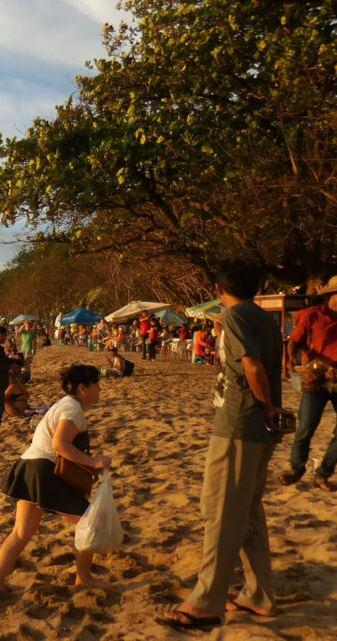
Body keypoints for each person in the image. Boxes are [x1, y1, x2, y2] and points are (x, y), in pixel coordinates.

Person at [158, 261, 289, 631]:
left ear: (218, 289)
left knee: (220, 511)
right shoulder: (264, 319)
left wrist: (267, 406)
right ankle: (259, 594)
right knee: (247, 512)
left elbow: (251, 366)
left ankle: (207, 602)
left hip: (240, 425)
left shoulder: (234, 318)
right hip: (258, 430)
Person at [0, 364, 111, 594]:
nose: (100, 390)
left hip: (29, 466)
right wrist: (93, 462)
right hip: (42, 471)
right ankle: (84, 579)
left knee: (21, 533)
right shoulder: (72, 409)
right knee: (89, 521)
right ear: (83, 388)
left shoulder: (65, 405)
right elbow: (59, 445)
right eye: (96, 384)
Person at [278, 274, 337, 492]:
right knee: (305, 427)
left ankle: (323, 473)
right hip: (315, 378)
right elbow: (294, 341)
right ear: (332, 295)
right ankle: (296, 469)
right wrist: (291, 359)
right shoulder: (312, 315)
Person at [0, 326, 24, 438]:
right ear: (0, 335)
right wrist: (9, 366)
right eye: (4, 335)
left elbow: (6, 360)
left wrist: (19, 362)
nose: (5, 338)